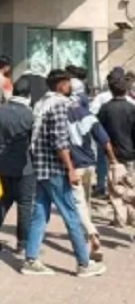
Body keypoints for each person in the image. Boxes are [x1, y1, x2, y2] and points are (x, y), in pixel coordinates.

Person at [22, 69, 105, 277]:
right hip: (55, 169)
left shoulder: (41, 104)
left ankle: (31, 259)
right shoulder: (59, 105)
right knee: (71, 215)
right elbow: (60, 141)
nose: (70, 86)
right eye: (67, 83)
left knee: (40, 214)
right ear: (60, 85)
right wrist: (70, 169)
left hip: (40, 167)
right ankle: (83, 263)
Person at [66, 80, 117, 261]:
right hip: (90, 165)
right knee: (85, 201)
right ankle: (86, 233)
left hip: (75, 166)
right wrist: (113, 160)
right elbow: (104, 140)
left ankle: (91, 233)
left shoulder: (61, 114)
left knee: (78, 203)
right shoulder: (88, 115)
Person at [0, 78, 35, 254]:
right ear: (28, 94)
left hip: (2, 162)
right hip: (24, 165)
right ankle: (23, 243)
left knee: (7, 196)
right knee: (25, 202)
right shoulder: (29, 114)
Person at [90, 67, 135, 198]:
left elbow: (96, 124)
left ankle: (103, 189)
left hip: (109, 147)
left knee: (111, 176)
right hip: (129, 148)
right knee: (129, 177)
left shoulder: (104, 104)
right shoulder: (131, 104)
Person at [97, 75, 135, 227]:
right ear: (126, 90)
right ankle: (133, 217)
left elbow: (99, 131)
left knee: (115, 187)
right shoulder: (132, 108)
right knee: (131, 185)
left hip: (112, 153)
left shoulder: (105, 109)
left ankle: (119, 218)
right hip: (131, 152)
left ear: (111, 90)